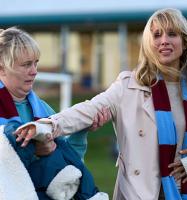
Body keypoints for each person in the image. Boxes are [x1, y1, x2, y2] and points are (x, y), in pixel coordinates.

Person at [15, 8, 187, 200]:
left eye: (172, 34)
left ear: (184, 42)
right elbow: (87, 110)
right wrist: (48, 125)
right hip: (139, 193)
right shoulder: (128, 86)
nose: (164, 41)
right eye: (157, 35)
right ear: (148, 43)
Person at [0, 27, 109, 200]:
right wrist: (36, 151)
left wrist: (80, 131)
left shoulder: (43, 110)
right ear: (2, 68)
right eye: (26, 64)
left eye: (35, 62)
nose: (34, 70)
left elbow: (68, 169)